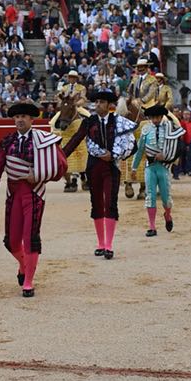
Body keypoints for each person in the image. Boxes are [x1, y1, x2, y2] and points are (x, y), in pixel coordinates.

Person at [0, 101, 65, 297]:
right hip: (13, 194)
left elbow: (59, 165)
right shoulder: (7, 141)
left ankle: (28, 281)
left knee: (30, 237)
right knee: (11, 241)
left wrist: (39, 175)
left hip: (34, 192)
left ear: (31, 119)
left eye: (23, 117)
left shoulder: (42, 140)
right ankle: (24, 265)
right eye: (17, 117)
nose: (19, 120)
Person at [58, 89, 138, 259]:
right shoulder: (89, 121)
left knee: (110, 203)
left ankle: (109, 245)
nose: (98, 105)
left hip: (111, 168)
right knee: (97, 203)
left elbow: (133, 146)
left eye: (101, 102)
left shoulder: (118, 121)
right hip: (93, 168)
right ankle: (101, 243)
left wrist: (115, 155)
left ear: (109, 105)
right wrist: (60, 156)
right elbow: (75, 140)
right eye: (96, 102)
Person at [131, 104, 181, 236]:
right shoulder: (146, 130)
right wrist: (134, 168)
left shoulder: (169, 128)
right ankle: (152, 226)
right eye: (153, 118)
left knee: (165, 197)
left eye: (158, 117)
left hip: (163, 167)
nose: (155, 120)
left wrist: (167, 156)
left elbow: (175, 146)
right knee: (150, 195)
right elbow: (140, 150)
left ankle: (167, 215)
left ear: (162, 117)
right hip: (150, 167)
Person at [123, 59, 161, 199]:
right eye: (138, 67)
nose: (140, 69)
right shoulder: (134, 79)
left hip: (148, 105)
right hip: (134, 105)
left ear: (146, 67)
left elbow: (151, 94)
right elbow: (129, 92)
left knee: (169, 120)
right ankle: (127, 181)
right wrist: (128, 100)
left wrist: (141, 101)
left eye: (142, 67)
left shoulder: (152, 80)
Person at [49, 91, 88, 193]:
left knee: (89, 116)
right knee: (53, 122)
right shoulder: (64, 87)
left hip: (77, 107)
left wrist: (77, 102)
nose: (71, 81)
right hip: (65, 107)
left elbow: (83, 98)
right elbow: (59, 96)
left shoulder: (80, 88)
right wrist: (61, 98)